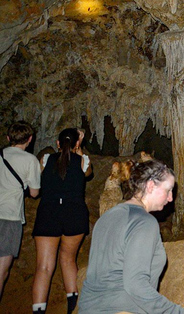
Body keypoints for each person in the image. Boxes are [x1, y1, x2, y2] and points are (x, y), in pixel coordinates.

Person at [78, 159, 184, 314]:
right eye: (168, 190)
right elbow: (135, 284)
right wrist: (180, 312)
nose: (171, 198)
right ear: (151, 186)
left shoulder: (106, 217)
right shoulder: (144, 222)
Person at [32, 128, 93, 314]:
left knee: (43, 267)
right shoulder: (82, 161)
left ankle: (38, 311)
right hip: (74, 213)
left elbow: (39, 178)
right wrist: (79, 147)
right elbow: (88, 173)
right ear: (76, 144)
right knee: (68, 260)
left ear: (58, 143)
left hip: (48, 213)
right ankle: (73, 308)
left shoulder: (45, 160)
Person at [0, 122, 41, 302]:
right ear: (30, 139)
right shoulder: (30, 160)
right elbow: (34, 193)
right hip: (10, 217)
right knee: (1, 270)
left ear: (8, 138)